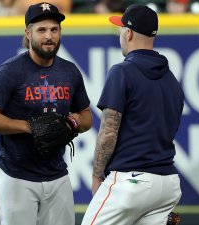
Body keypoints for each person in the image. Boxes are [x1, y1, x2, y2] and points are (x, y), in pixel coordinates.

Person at [0, 2, 93, 225]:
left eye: (54, 30)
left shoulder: (70, 71)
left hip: (57, 174)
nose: (49, 36)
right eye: (42, 30)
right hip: (16, 174)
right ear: (28, 34)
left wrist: (72, 123)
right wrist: (29, 127)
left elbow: (86, 116)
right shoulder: (10, 70)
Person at [81, 4, 184, 225]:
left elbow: (108, 132)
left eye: (120, 29)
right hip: (167, 184)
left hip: (132, 182)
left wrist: (97, 176)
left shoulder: (122, 71)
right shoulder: (172, 79)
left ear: (128, 33)